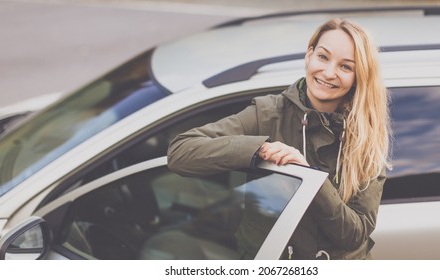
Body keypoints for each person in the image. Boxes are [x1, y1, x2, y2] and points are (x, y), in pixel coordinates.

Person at [167, 18, 392, 260]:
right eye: (323, 57)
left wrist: (309, 177)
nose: (328, 73)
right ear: (309, 55)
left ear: (359, 76)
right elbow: (181, 152)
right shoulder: (268, 114)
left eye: (345, 67)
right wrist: (259, 149)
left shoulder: (366, 136)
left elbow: (354, 235)